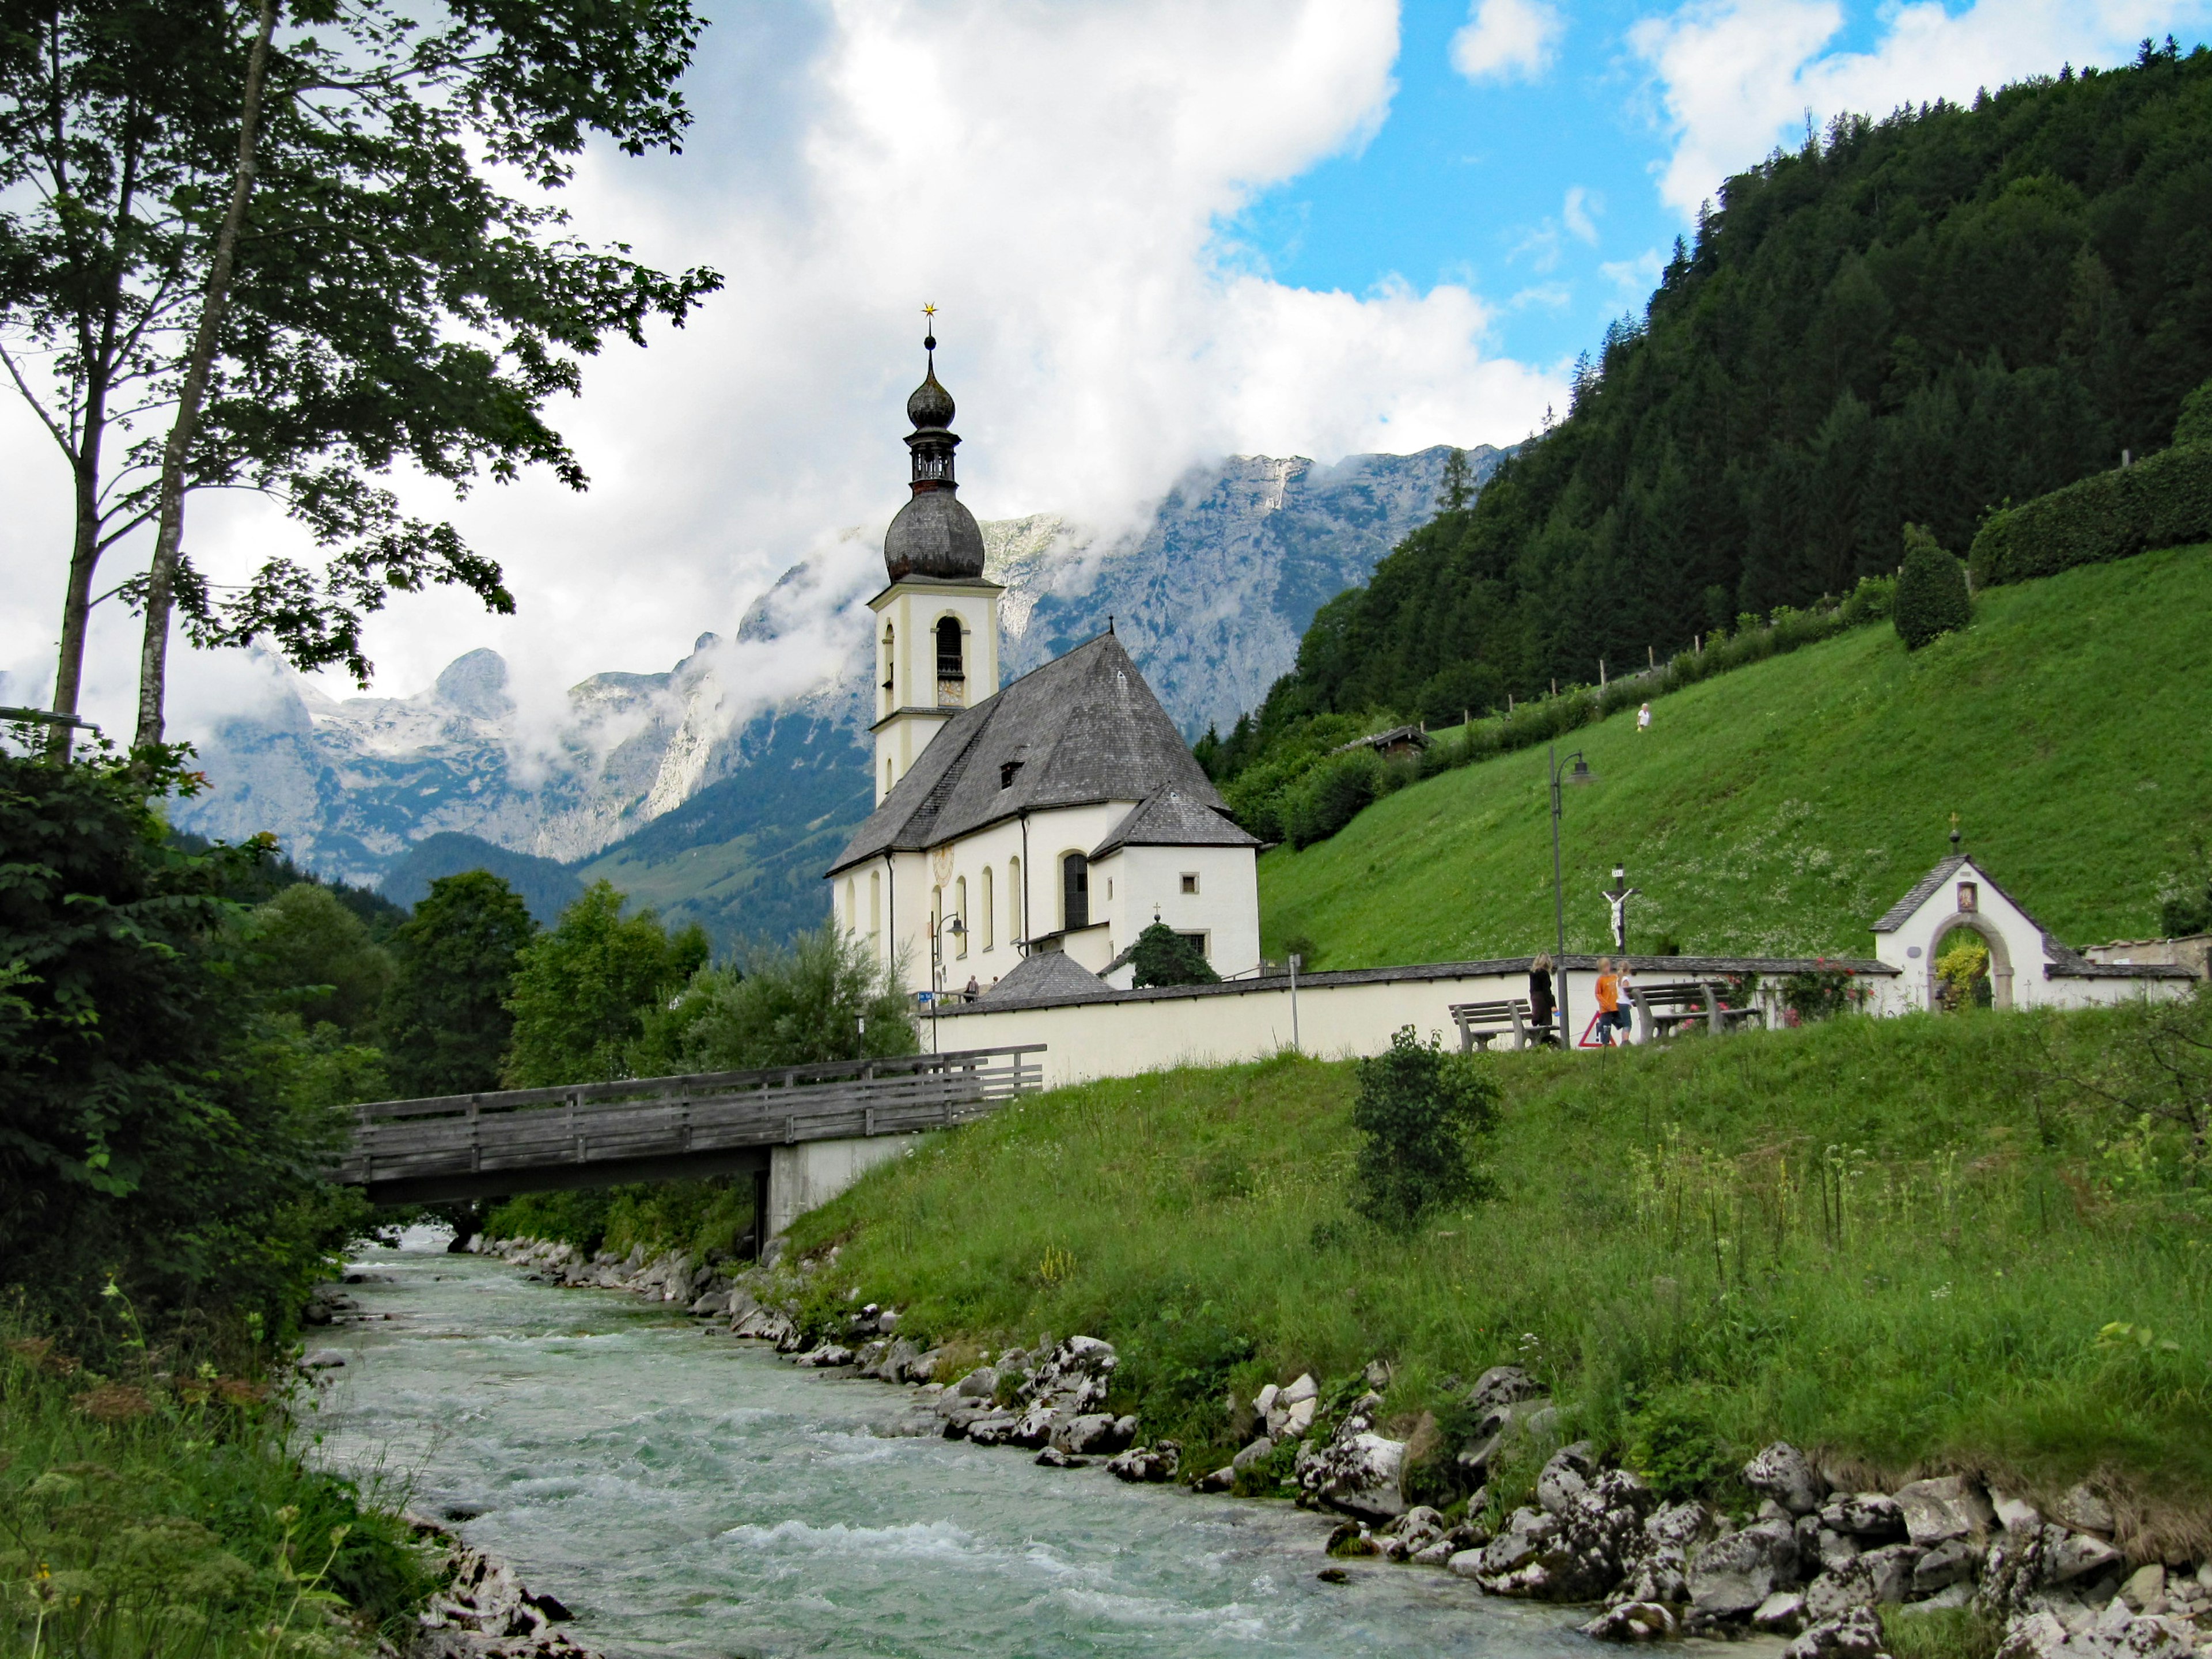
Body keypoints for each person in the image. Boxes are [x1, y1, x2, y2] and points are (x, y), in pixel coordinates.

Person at [1594, 957, 1631, 1044]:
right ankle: (1605, 1043)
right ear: (1601, 969)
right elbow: (1598, 994)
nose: (1606, 969)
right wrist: (1605, 1004)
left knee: (1622, 1023)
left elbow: (1620, 990)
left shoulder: (1614, 977)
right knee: (1606, 1027)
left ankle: (1625, 1041)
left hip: (1616, 1006)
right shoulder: (1600, 980)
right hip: (1606, 1009)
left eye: (1607, 966)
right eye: (1604, 967)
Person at [1527, 954, 1556, 1045]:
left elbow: (1532, 990)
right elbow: (1546, 992)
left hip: (1535, 1002)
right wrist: (1553, 1006)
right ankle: (1545, 1043)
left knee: (1538, 1022)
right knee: (1546, 1025)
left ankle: (1537, 1043)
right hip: (1543, 1002)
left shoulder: (1532, 973)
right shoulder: (1544, 974)